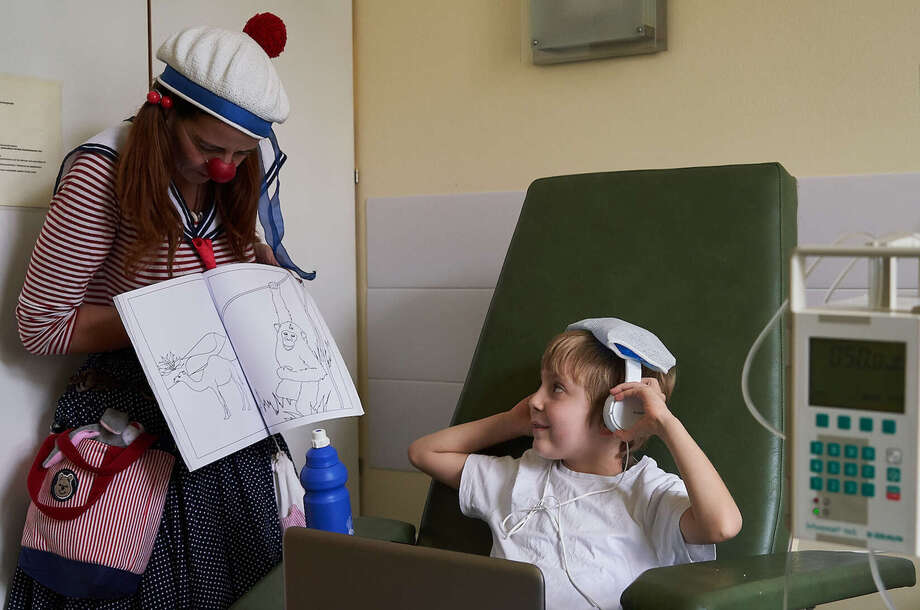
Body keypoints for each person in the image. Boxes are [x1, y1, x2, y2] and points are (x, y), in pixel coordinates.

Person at [8, 13, 308, 609]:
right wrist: (168, 313)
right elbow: (38, 325)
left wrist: (262, 287)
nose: (223, 168)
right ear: (163, 110)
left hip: (227, 422)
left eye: (241, 154)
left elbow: (231, 283)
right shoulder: (104, 171)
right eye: (207, 147)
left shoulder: (232, 179)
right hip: (134, 426)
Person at [408, 321, 743, 610]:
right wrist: (512, 421)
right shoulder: (519, 476)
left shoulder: (650, 495)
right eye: (540, 386)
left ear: (618, 412)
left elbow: (722, 525)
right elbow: (424, 453)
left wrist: (665, 423)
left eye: (556, 389)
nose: (535, 400)